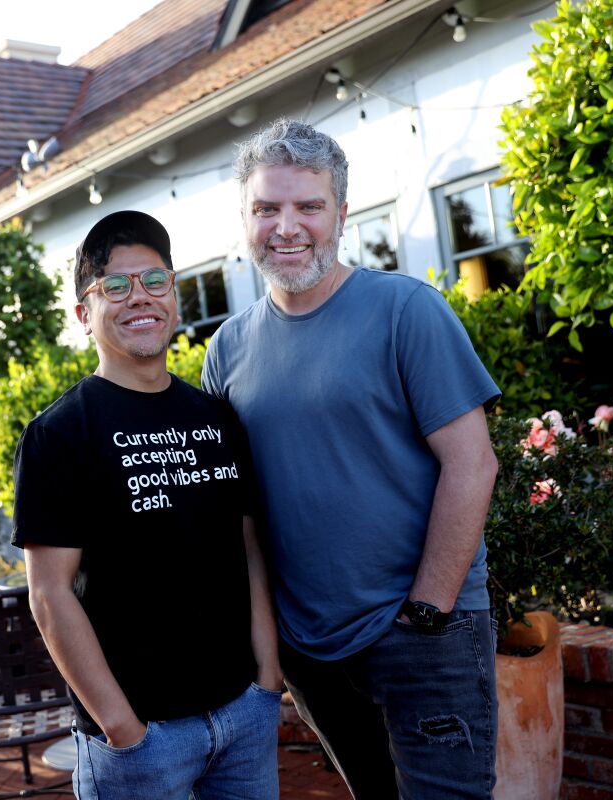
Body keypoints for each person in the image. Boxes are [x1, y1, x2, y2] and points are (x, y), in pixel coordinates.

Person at [202, 118, 501, 799]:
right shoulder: (228, 346)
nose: (287, 227)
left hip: (425, 631)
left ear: (340, 213)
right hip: (309, 645)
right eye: (266, 208)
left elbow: (473, 465)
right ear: (245, 219)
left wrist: (428, 611)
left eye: (308, 206)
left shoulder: (407, 310)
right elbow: (238, 505)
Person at [12, 210, 283, 800]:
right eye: (115, 285)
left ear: (175, 299)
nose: (140, 297)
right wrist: (122, 728)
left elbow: (248, 548)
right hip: (140, 743)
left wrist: (267, 678)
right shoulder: (59, 435)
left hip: (243, 717)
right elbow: (49, 594)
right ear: (84, 315)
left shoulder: (215, 416)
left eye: (155, 280)